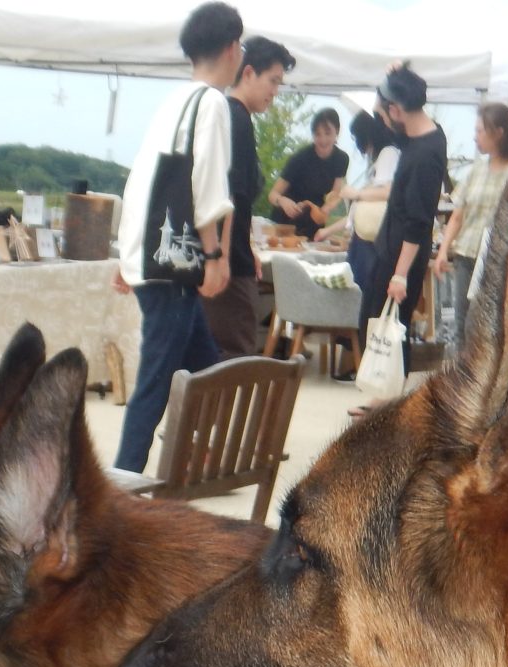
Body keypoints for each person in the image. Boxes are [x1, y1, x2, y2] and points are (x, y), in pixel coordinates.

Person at [113, 2, 239, 474]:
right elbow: (205, 185)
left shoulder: (174, 101)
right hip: (173, 261)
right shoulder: (211, 103)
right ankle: (123, 479)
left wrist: (127, 257)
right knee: (157, 378)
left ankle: (205, 455)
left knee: (204, 364)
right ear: (232, 49)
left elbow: (141, 180)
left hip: (152, 257)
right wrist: (214, 254)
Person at [358, 65, 445, 405]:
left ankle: (387, 406)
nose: (384, 119)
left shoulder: (426, 155)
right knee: (375, 324)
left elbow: (418, 220)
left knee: (393, 331)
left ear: (396, 110)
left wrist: (400, 274)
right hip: (391, 249)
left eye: (386, 111)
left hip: (402, 255)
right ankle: (380, 402)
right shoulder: (420, 136)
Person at [203, 35, 291, 358]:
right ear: (249, 72)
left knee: (222, 354)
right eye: (273, 81)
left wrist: (248, 245)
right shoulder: (235, 118)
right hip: (227, 265)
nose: (275, 92)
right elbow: (228, 195)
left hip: (232, 254)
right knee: (234, 355)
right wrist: (223, 256)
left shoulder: (233, 116)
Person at [434, 102, 508, 342]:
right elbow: (458, 215)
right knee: (462, 323)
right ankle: (463, 378)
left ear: (498, 133)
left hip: (503, 259)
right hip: (467, 255)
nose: (475, 136)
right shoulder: (477, 169)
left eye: (480, 131)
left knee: (495, 324)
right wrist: (443, 251)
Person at [337, 108, 400, 293]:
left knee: (365, 289)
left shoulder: (388, 154)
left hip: (373, 238)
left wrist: (357, 194)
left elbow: (388, 192)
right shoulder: (379, 158)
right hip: (366, 236)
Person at [270, 109, 349, 239]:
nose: (323, 139)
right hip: (286, 219)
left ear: (337, 131)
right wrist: (283, 201)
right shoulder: (299, 159)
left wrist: (325, 209)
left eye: (327, 133)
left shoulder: (342, 159)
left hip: (313, 219)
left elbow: (335, 194)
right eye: (317, 134)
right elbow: (273, 194)